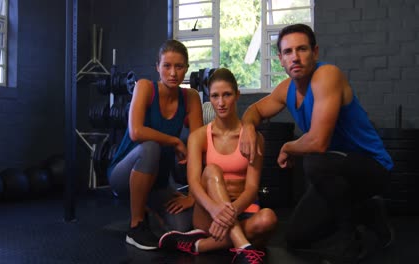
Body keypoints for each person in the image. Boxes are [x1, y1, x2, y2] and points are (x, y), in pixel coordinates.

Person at [239, 24, 394, 264]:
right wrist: (248, 126)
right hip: (335, 175)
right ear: (280, 59)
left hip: (372, 168)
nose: (295, 57)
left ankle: (349, 240)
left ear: (316, 52)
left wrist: (287, 147)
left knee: (314, 161)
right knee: (296, 237)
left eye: (302, 49)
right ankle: (369, 212)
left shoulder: (327, 75)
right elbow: (255, 109)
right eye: (288, 51)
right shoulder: (286, 89)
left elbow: (318, 142)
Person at [159, 68, 277, 264]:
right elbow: (194, 183)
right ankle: (243, 247)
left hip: (242, 209)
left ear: (237, 95)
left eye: (227, 95)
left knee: (269, 219)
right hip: (208, 212)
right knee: (212, 170)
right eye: (215, 96)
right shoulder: (199, 137)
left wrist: (228, 215)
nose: (221, 103)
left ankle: (198, 245)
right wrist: (216, 210)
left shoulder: (254, 138)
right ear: (209, 98)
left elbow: (251, 188)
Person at [107, 39, 204, 251]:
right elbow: (136, 132)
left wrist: (193, 196)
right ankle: (136, 226)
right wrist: (175, 140)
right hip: (123, 174)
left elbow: (197, 146)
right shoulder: (144, 87)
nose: (172, 73)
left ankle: (150, 209)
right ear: (157, 67)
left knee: (183, 226)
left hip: (159, 181)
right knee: (151, 147)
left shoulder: (191, 98)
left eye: (179, 66)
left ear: (186, 68)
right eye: (167, 66)